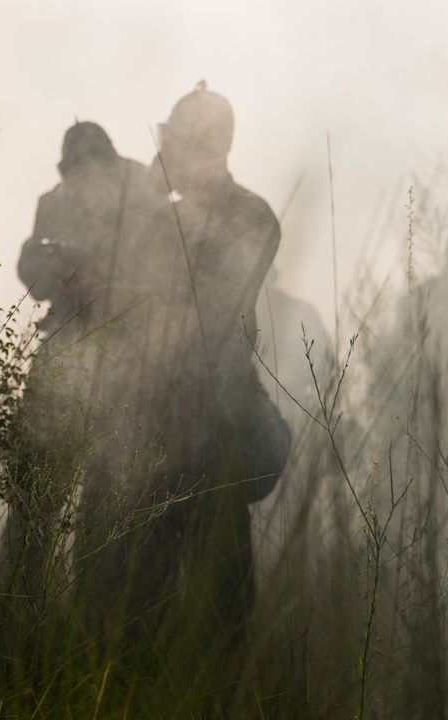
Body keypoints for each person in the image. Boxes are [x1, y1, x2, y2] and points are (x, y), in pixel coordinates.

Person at [85, 83, 291, 652]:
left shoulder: (250, 216)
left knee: (219, 623)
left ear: (208, 146)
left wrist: (161, 205)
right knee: (130, 618)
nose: (169, 151)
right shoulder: (161, 219)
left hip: (211, 437)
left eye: (180, 140)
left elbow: (207, 306)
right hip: (149, 434)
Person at [2, 122, 151, 638]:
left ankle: (97, 627)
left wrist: (114, 284)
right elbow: (34, 271)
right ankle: (14, 619)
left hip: (124, 353)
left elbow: (164, 272)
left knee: (107, 497)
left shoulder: (141, 192)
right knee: (33, 492)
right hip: (65, 346)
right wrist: (55, 267)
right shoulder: (56, 200)